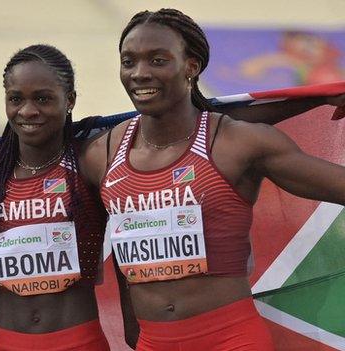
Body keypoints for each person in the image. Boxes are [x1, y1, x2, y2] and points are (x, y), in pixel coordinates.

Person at [81, 8, 345, 351]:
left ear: (191, 66)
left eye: (158, 60)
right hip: (152, 342)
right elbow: (116, 236)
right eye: (128, 61)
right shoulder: (101, 153)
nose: (140, 73)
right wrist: (132, 322)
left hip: (230, 339)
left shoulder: (239, 143)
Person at [0, 44, 112, 351]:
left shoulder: (89, 161)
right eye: (16, 99)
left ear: (69, 100)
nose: (28, 111)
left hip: (77, 340)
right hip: (7, 341)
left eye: (43, 99)